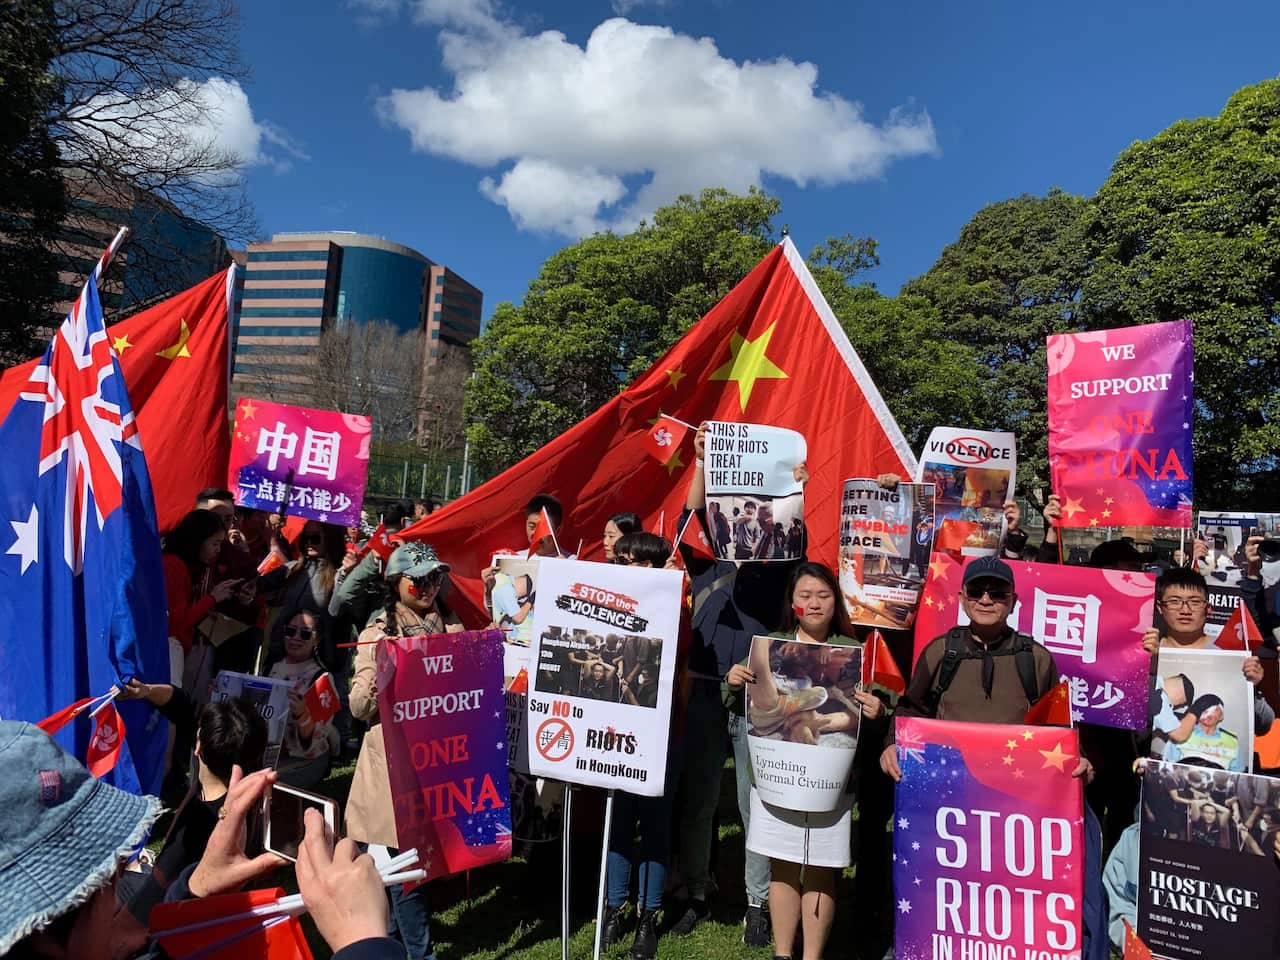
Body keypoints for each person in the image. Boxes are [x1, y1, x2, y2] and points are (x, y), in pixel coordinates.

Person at [670, 421, 809, 946]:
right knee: (701, 800)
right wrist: (705, 461)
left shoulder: (777, 570)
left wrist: (795, 487)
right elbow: (687, 518)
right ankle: (697, 893)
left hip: (758, 700)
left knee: (756, 804)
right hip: (707, 691)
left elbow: (796, 535)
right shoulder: (705, 560)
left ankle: (757, 901)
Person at [727, 562, 888, 960]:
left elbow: (886, 704)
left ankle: (812, 955)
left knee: (821, 868)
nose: (814, 603)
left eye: (823, 595)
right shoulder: (767, 644)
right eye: (805, 595)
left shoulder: (859, 652)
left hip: (829, 783)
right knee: (782, 864)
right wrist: (730, 683)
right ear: (792, 602)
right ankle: (784, 953)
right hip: (776, 778)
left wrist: (876, 710)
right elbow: (736, 703)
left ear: (837, 602)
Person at [347, 542, 463, 960]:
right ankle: (420, 953)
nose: (430, 586)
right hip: (391, 771)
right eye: (421, 579)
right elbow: (359, 708)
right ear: (397, 583)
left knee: (410, 868)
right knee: (403, 870)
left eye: (436, 577)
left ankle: (390, 944)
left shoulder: (451, 626)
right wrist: (385, 671)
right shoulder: (378, 633)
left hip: (437, 760)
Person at [880, 556, 1093, 782]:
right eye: (975, 591)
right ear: (962, 599)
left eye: (998, 594)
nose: (985, 600)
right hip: (948, 779)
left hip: (1015, 782)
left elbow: (1060, 725)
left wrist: (1079, 758)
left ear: (1013, 602)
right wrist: (892, 744)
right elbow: (911, 709)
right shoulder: (940, 651)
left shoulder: (1035, 658)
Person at [600, 532, 689, 960]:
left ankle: (647, 917)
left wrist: (672, 596)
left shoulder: (676, 610)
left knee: (654, 822)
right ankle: (614, 908)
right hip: (613, 729)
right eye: (626, 561)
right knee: (618, 821)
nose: (632, 569)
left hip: (659, 733)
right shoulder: (609, 608)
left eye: (642, 563)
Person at [113, 682, 268, 923]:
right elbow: (183, 706)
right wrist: (146, 691)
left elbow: (154, 893)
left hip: (172, 911)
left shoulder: (198, 827)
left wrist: (119, 933)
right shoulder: (244, 762)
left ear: (197, 748)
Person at [1141, 566, 1273, 743]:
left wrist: (1252, 688)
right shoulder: (1145, 653)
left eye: (1195, 602)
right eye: (1174, 601)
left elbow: (1264, 725)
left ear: (1208, 608)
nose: (1185, 610)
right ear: (1160, 607)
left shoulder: (1229, 654)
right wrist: (1149, 666)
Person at [161, 509, 244, 689]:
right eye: (214, 543)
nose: (218, 550)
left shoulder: (180, 564)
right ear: (198, 540)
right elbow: (176, 623)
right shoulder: (174, 566)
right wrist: (212, 599)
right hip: (168, 651)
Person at [265, 610, 337, 788]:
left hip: (304, 760)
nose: (295, 638)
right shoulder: (271, 668)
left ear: (317, 640)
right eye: (290, 631)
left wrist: (302, 716)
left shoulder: (322, 679)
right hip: (266, 754)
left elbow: (316, 739)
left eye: (305, 634)